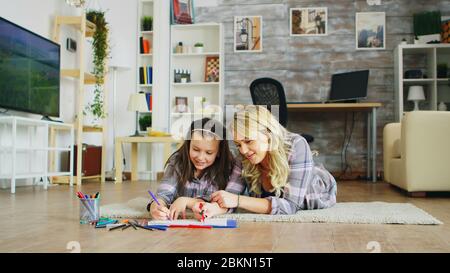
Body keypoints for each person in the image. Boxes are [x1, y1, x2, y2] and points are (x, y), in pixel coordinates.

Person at [210, 105, 337, 215]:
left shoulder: (297, 144)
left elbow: (290, 206)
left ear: (268, 134)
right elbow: (230, 194)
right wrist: (212, 209)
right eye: (238, 144)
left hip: (316, 190)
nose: (243, 150)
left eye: (248, 141)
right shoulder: (245, 154)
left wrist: (238, 200)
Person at [148, 118, 240, 220]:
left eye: (209, 153)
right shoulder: (178, 161)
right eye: (196, 149)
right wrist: (156, 206)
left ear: (219, 152)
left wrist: (187, 201)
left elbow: (230, 202)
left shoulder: (231, 167)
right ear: (188, 145)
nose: (200, 157)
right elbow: (164, 194)